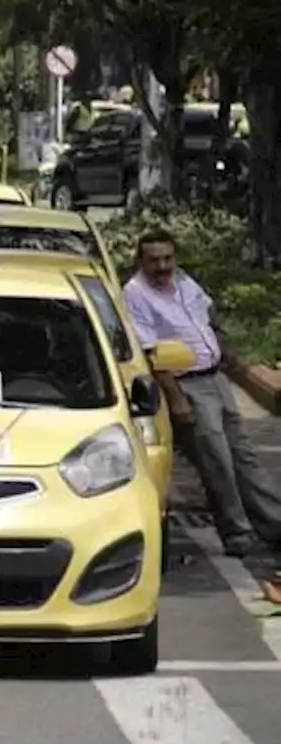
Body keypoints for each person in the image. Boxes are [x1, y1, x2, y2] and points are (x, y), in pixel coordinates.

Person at [123, 230, 281, 562]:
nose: (162, 266)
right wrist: (177, 399)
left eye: (168, 258)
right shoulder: (135, 294)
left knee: (244, 456)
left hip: (215, 378)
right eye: (154, 260)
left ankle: (273, 525)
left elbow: (209, 319)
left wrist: (233, 360)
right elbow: (151, 352)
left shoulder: (184, 282)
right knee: (217, 462)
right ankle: (238, 533)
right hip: (187, 385)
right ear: (141, 261)